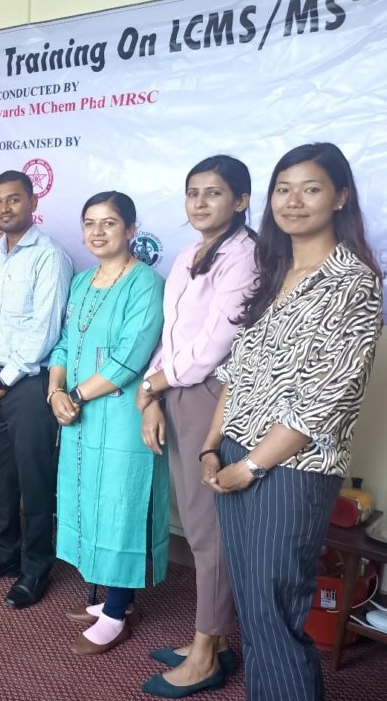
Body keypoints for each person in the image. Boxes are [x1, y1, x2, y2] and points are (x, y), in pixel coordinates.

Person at [203, 143, 382, 701]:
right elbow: (238, 370)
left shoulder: (353, 283)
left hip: (290, 469)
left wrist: (251, 467)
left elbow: (323, 401)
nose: (294, 201)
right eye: (284, 188)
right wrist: (213, 446)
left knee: (275, 609)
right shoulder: (273, 269)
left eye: (311, 188)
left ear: (340, 197)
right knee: (256, 608)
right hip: (235, 455)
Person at [136, 157, 257, 697]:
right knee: (201, 522)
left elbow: (214, 345)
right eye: (193, 193)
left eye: (214, 193)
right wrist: (151, 391)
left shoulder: (247, 255)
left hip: (209, 395)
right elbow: (172, 333)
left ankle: (207, 654)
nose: (201, 203)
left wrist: (157, 384)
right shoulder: (188, 254)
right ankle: (215, 638)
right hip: (175, 390)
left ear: (242, 200)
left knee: (208, 531)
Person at [48, 191, 166, 654]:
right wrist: (56, 389)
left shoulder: (146, 284)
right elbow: (62, 345)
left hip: (119, 416)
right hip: (77, 414)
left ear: (131, 230)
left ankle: (116, 613)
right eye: (90, 223)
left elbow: (130, 357)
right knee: (88, 502)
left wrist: (73, 395)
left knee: (120, 506)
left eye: (110, 223)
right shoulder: (80, 281)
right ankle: (114, 598)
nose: (98, 232)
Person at [0, 170, 72, 611]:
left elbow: (45, 331)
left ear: (33, 203)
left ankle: (37, 563)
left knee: (35, 478)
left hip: (27, 385)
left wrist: (1, 382)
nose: (5, 208)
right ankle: (5, 553)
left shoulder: (51, 256)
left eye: (14, 200)